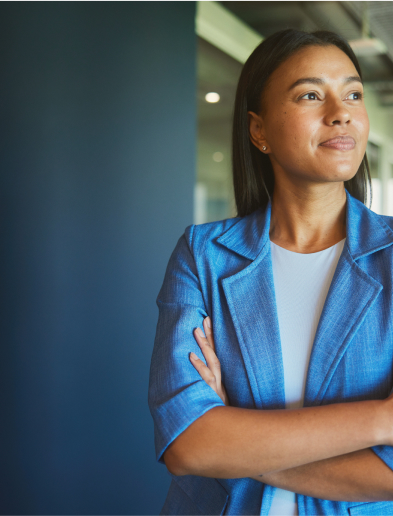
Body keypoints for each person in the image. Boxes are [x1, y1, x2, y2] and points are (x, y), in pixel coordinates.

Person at [148, 29, 393, 516]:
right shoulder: (204, 254)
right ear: (258, 131)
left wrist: (235, 436)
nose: (340, 111)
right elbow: (188, 445)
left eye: (352, 94)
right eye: (309, 94)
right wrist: (383, 420)